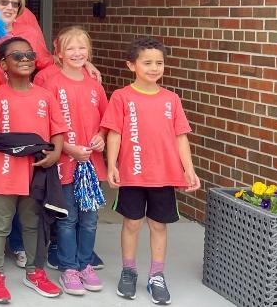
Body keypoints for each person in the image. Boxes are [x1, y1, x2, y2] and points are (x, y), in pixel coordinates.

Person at [102, 36, 200, 305]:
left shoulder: (172, 99)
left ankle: (157, 275)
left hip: (164, 175)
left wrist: (189, 170)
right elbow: (114, 134)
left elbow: (181, 136)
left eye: (159, 63)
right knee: (132, 223)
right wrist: (112, 165)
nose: (154, 67)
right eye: (147, 63)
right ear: (131, 65)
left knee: (158, 225)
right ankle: (129, 270)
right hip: (133, 173)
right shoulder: (122, 97)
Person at [0, 37, 65, 302]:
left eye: (29, 54)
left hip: (37, 171)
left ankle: (35, 271)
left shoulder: (45, 95)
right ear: (2, 64)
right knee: (0, 224)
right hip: (6, 170)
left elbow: (58, 130)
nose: (26, 59)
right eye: (17, 56)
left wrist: (57, 153)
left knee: (33, 223)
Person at [36, 26, 109, 295]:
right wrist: (67, 148)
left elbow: (106, 120)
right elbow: (44, 125)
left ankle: (85, 263)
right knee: (67, 219)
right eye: (71, 48)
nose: (77, 53)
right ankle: (68, 267)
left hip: (90, 164)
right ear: (59, 53)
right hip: (65, 162)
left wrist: (101, 136)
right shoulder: (51, 83)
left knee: (89, 219)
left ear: (88, 52)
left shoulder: (94, 85)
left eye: (82, 48)